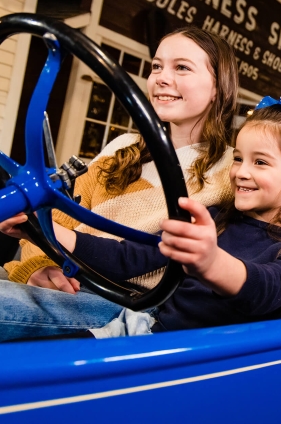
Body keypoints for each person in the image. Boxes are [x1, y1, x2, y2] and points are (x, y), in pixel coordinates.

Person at [0, 90, 281, 340]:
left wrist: (211, 262)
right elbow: (135, 256)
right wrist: (46, 233)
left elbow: (264, 291)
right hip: (142, 322)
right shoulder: (217, 217)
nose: (241, 172)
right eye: (239, 158)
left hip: (181, 357)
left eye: (260, 162)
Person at [4, 25, 239, 291]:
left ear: (219, 87)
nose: (161, 78)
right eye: (157, 67)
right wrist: (37, 266)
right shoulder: (123, 147)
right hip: (65, 276)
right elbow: (59, 214)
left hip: (125, 301)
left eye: (182, 67)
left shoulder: (232, 171)